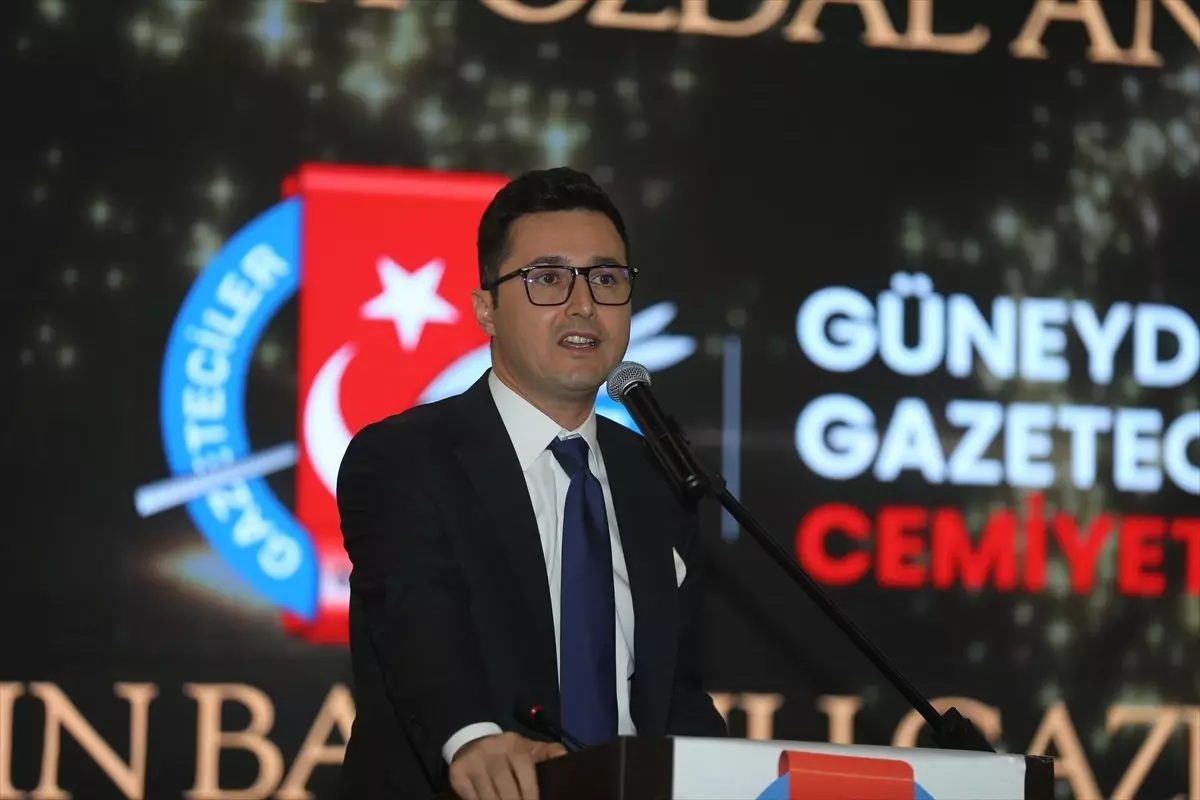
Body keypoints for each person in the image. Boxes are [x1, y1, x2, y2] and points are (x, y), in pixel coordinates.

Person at [335, 167, 727, 800]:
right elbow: (417, 619)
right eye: (547, 279)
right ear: (486, 309)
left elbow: (671, 693)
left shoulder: (657, 476)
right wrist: (471, 738)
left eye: (606, 279)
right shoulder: (405, 457)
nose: (583, 304)